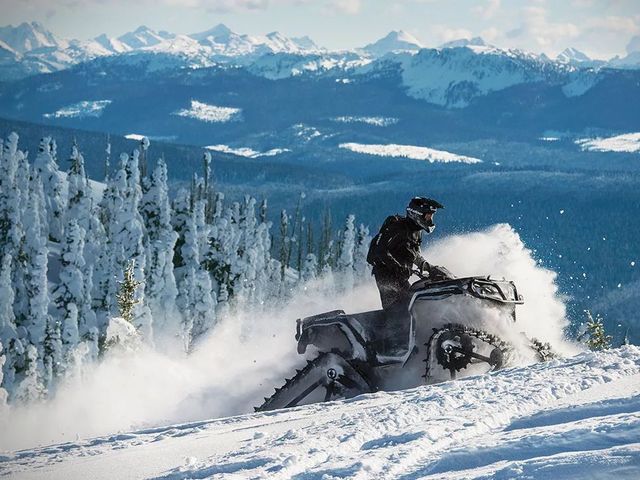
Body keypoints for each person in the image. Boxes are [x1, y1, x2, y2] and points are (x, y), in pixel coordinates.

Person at [367, 197, 444, 310]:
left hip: (401, 276)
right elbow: (380, 251)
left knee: (414, 302)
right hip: (386, 275)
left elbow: (415, 255)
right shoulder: (398, 228)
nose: (430, 220)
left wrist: (430, 268)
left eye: (431, 216)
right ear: (417, 214)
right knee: (397, 310)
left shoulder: (417, 232)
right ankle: (389, 326)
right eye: (428, 216)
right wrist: (397, 266)